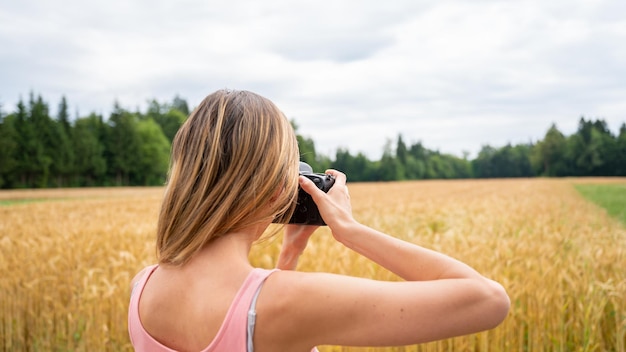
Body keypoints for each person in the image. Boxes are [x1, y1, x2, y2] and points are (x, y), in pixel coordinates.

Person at [128, 89, 510, 352]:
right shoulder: (289, 302)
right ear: (279, 188)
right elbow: (488, 299)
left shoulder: (143, 287)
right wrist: (350, 230)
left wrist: (288, 258)